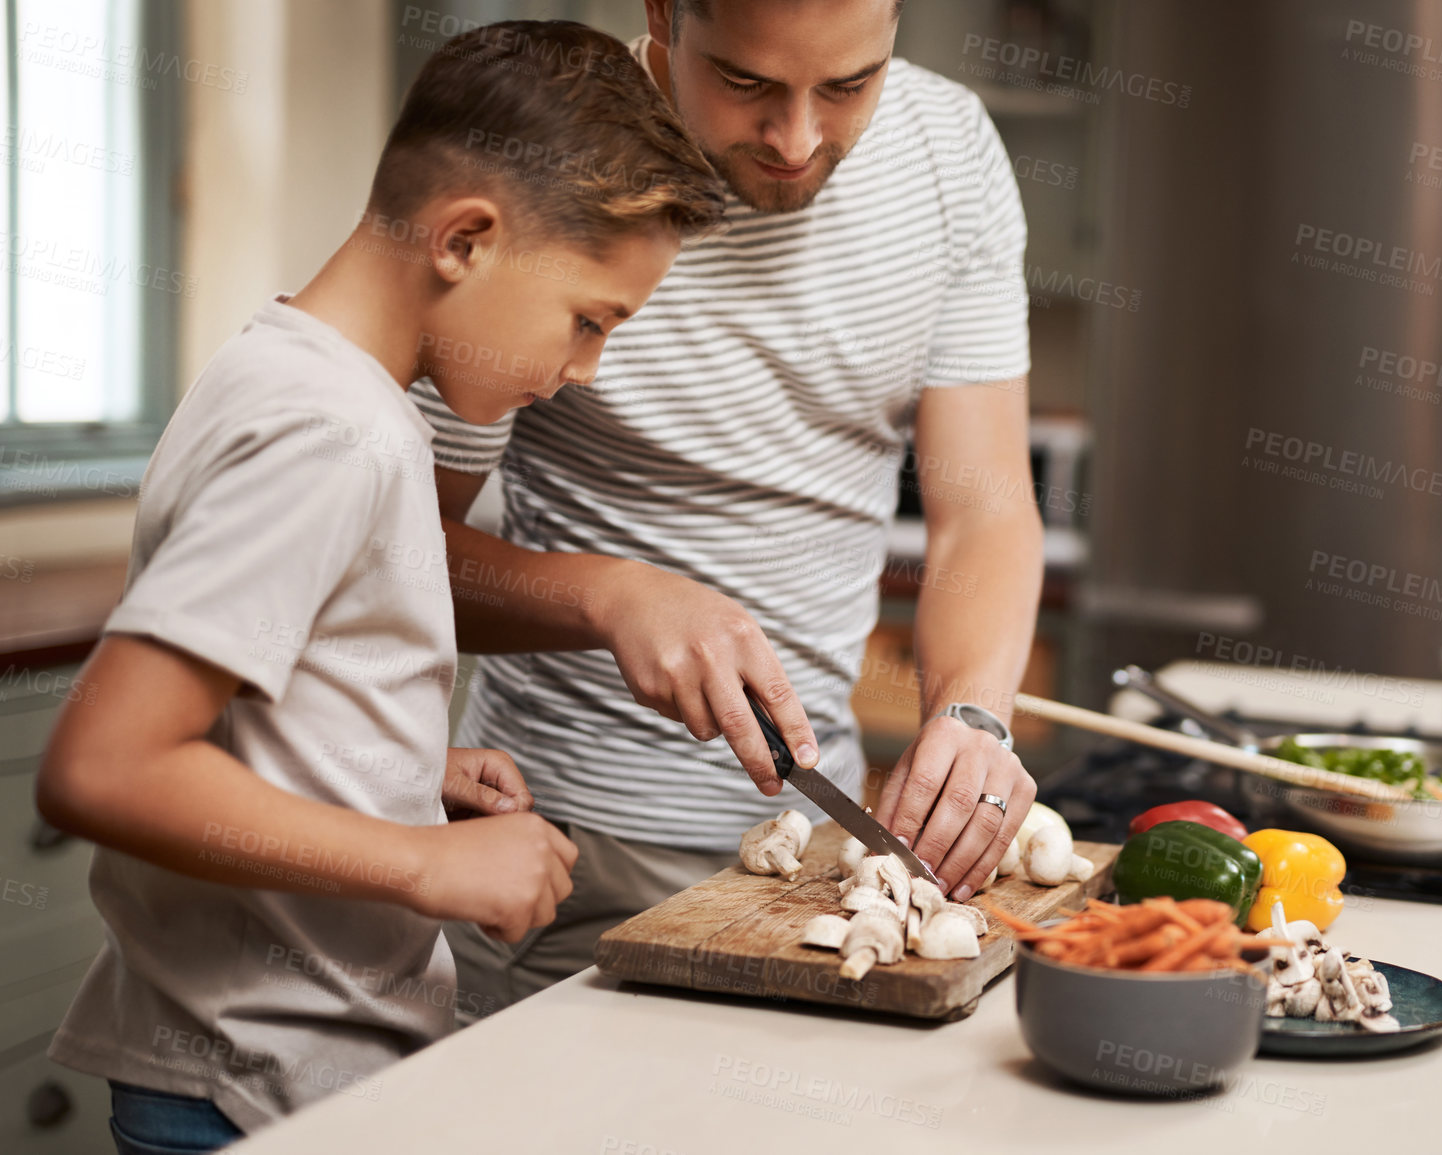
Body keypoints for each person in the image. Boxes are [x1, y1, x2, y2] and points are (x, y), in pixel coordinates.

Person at [35, 21, 724, 1152]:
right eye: (589, 320)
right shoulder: (332, 432)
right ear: (464, 240)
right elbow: (103, 768)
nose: (584, 369)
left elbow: (244, 707)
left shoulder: (297, 380)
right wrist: (422, 859)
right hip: (248, 1083)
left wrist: (393, 772)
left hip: (264, 1066)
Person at [414, 0, 1046, 1011]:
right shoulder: (543, 159)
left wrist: (973, 717)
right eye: (748, 83)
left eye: (848, 86)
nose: (798, 143)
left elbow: (986, 513)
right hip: (560, 852)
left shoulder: (950, 151)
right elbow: (386, 560)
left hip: (822, 856)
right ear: (663, 14)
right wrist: (608, 596)